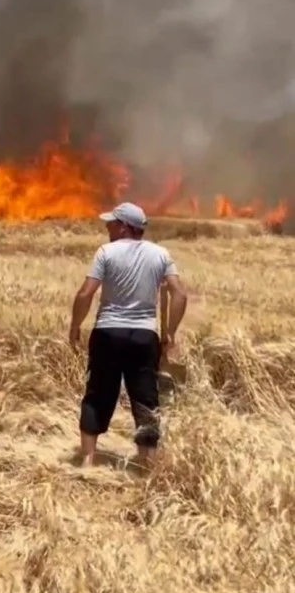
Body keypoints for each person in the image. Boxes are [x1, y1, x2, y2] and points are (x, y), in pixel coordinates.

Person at [68, 201, 188, 468]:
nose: (107, 227)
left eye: (111, 223)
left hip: (108, 332)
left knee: (98, 393)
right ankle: (147, 462)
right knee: (146, 398)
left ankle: (88, 460)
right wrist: (169, 333)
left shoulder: (106, 252)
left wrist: (75, 326)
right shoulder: (160, 254)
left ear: (124, 227)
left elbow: (86, 293)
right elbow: (179, 293)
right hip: (145, 336)